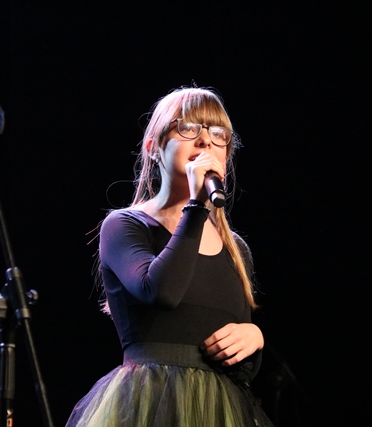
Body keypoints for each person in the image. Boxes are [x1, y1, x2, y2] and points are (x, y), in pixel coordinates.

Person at [66, 86, 274, 427]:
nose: (205, 140)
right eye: (188, 128)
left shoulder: (236, 249)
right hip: (147, 404)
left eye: (218, 134)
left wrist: (255, 338)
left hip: (219, 409)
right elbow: (161, 291)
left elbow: (242, 367)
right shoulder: (125, 226)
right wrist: (196, 208)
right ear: (154, 147)